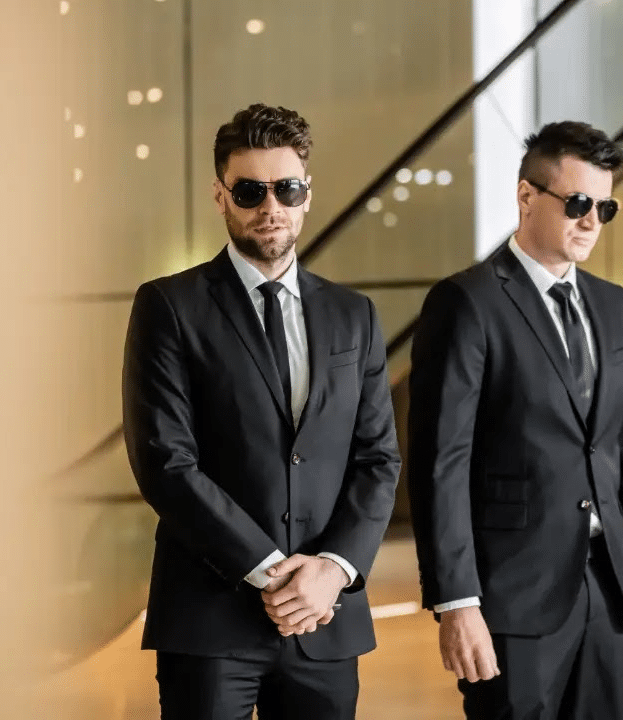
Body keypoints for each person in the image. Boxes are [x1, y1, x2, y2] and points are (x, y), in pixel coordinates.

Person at [122, 103, 401, 720]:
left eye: (286, 189)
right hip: (209, 620)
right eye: (250, 191)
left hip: (326, 621)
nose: (269, 206)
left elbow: (379, 459)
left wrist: (332, 570)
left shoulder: (355, 315)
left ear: (307, 196)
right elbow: (165, 462)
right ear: (221, 197)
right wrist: (275, 574)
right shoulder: (169, 307)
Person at [407, 120, 623, 720]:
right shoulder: (466, 302)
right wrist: (456, 601)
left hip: (610, 596)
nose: (591, 221)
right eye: (577, 202)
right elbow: (439, 463)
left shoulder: (614, 305)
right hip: (511, 601)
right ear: (526, 196)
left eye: (605, 206)